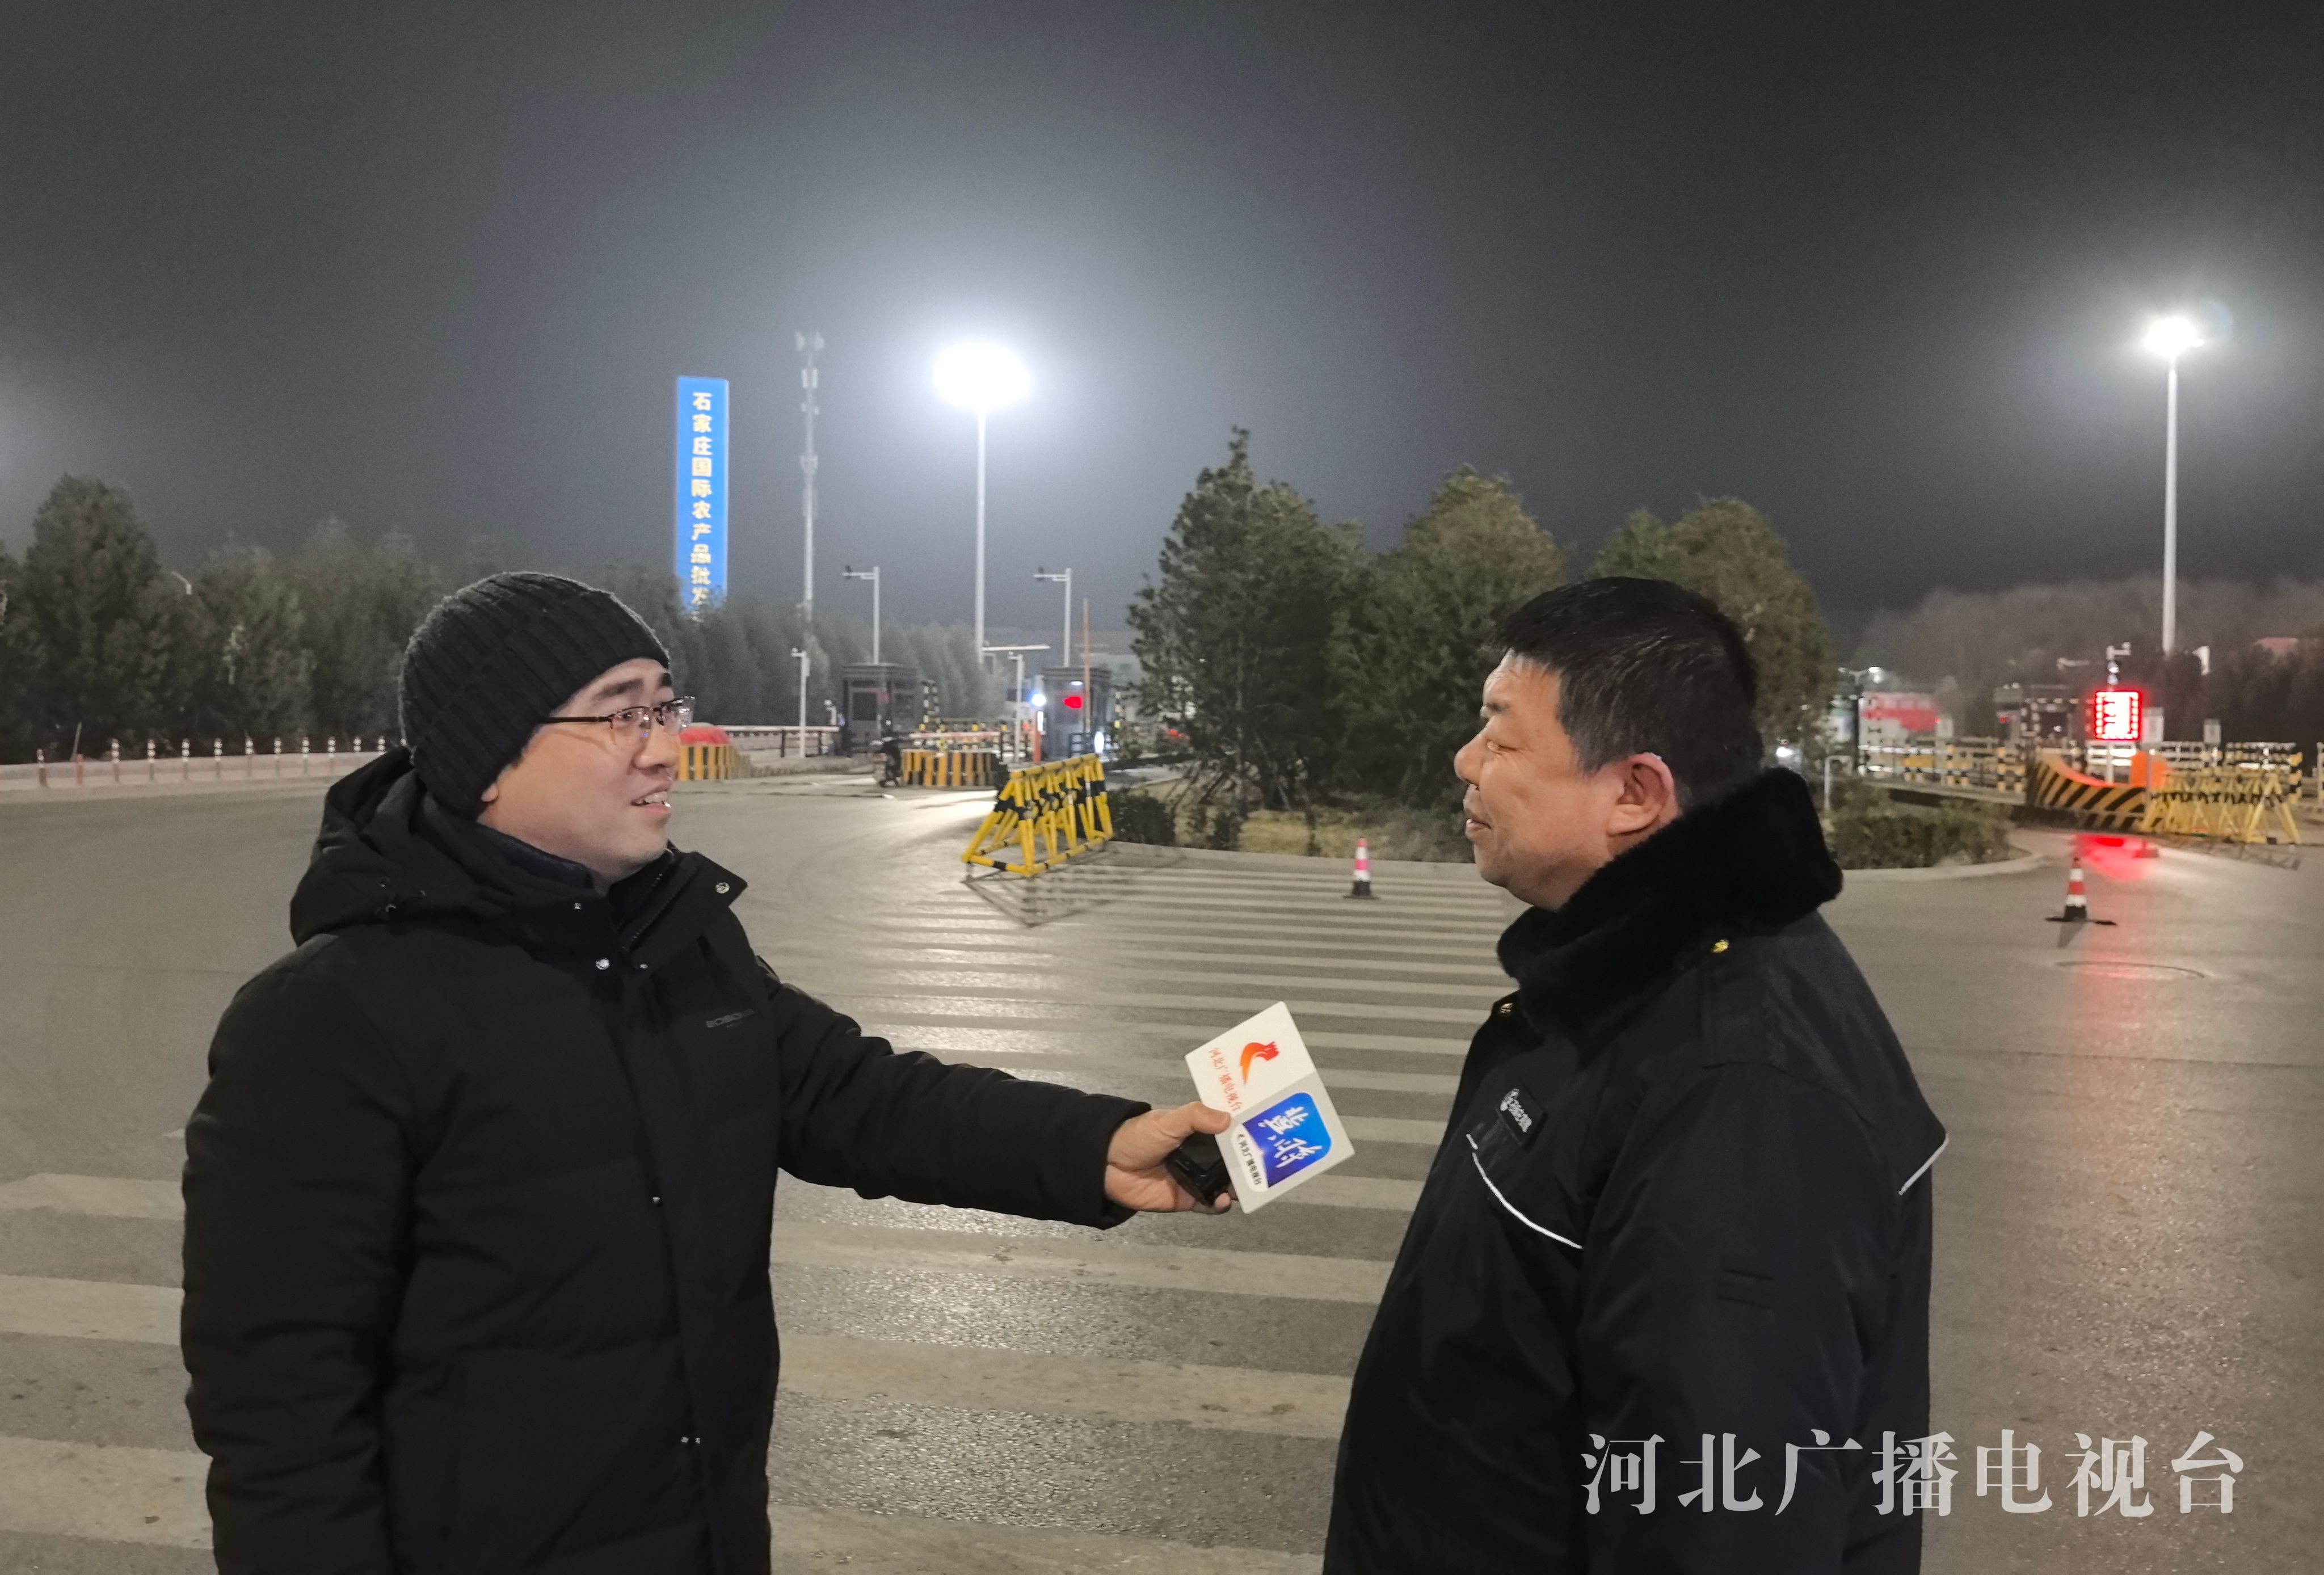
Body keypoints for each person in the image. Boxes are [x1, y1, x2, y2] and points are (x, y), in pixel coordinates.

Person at [182, 572, 1228, 1575]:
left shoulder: (677, 949)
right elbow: (281, 1410)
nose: (664, 747)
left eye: (666, 707)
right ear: (488, 761)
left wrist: (1095, 1147)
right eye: (620, 714)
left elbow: (862, 1098)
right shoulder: (330, 1020)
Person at [1325, 578, 1944, 1573]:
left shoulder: (1742, 1092)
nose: (1466, 761)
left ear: (1634, 794)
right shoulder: (1615, 983)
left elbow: (1721, 1527)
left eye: (1501, 737)